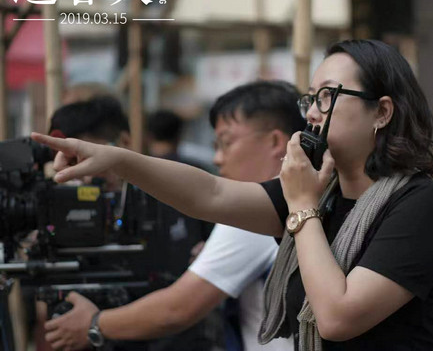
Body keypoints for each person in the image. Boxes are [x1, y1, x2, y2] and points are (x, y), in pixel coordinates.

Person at [33, 39, 433, 350]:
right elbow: (210, 194)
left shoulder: (418, 204)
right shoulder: (319, 194)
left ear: (382, 111)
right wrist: (118, 160)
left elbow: (337, 317)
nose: (311, 112)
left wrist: (302, 207)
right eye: (311, 98)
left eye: (328, 96)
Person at [43, 81, 302, 351]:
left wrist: (94, 323)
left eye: (226, 143)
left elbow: (177, 308)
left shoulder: (258, 214)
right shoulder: (297, 199)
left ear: (275, 141)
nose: (217, 159)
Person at [44, 96, 218, 351]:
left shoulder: (174, 192)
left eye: (88, 158)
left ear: (123, 142)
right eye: (69, 164)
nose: (82, 175)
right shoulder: (56, 212)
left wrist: (209, 252)